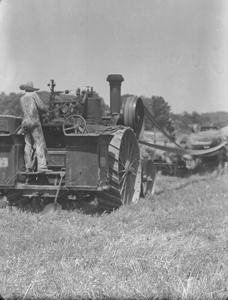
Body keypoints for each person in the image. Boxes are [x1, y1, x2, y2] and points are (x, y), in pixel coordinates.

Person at [19, 81, 49, 173]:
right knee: (39, 143)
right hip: (34, 121)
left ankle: (28, 166)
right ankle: (42, 167)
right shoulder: (33, 95)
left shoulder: (22, 98)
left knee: (28, 143)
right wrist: (46, 110)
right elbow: (42, 107)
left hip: (25, 122)